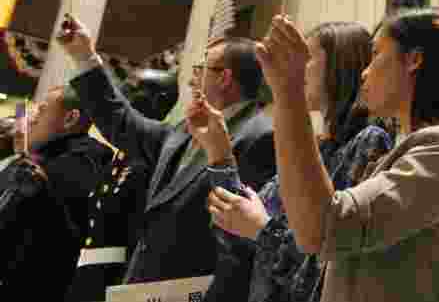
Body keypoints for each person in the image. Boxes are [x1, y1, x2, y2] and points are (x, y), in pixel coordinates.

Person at [255, 9, 439, 302]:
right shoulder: (408, 148)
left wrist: (289, 92)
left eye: (376, 54)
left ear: (414, 60)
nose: (365, 70)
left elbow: (321, 228)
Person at [56, 15, 276, 296]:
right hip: (145, 285)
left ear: (224, 78)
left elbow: (240, 241)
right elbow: (122, 122)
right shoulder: (185, 129)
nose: (192, 80)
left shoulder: (261, 137)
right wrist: (83, 55)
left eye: (201, 69)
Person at [189, 21, 393, 302]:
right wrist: (219, 153)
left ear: (339, 67)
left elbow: (327, 268)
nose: (296, 66)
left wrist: (262, 230)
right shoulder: (318, 148)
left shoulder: (370, 142)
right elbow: (233, 226)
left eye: (307, 58)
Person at [67, 69, 179, 302]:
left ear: (157, 99)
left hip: (115, 279)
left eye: (132, 86)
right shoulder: (121, 155)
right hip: (87, 273)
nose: (120, 92)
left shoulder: (158, 157)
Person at [0, 85, 111, 298]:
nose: (31, 119)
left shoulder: (86, 159)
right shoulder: (37, 154)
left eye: (41, 111)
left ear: (70, 119)